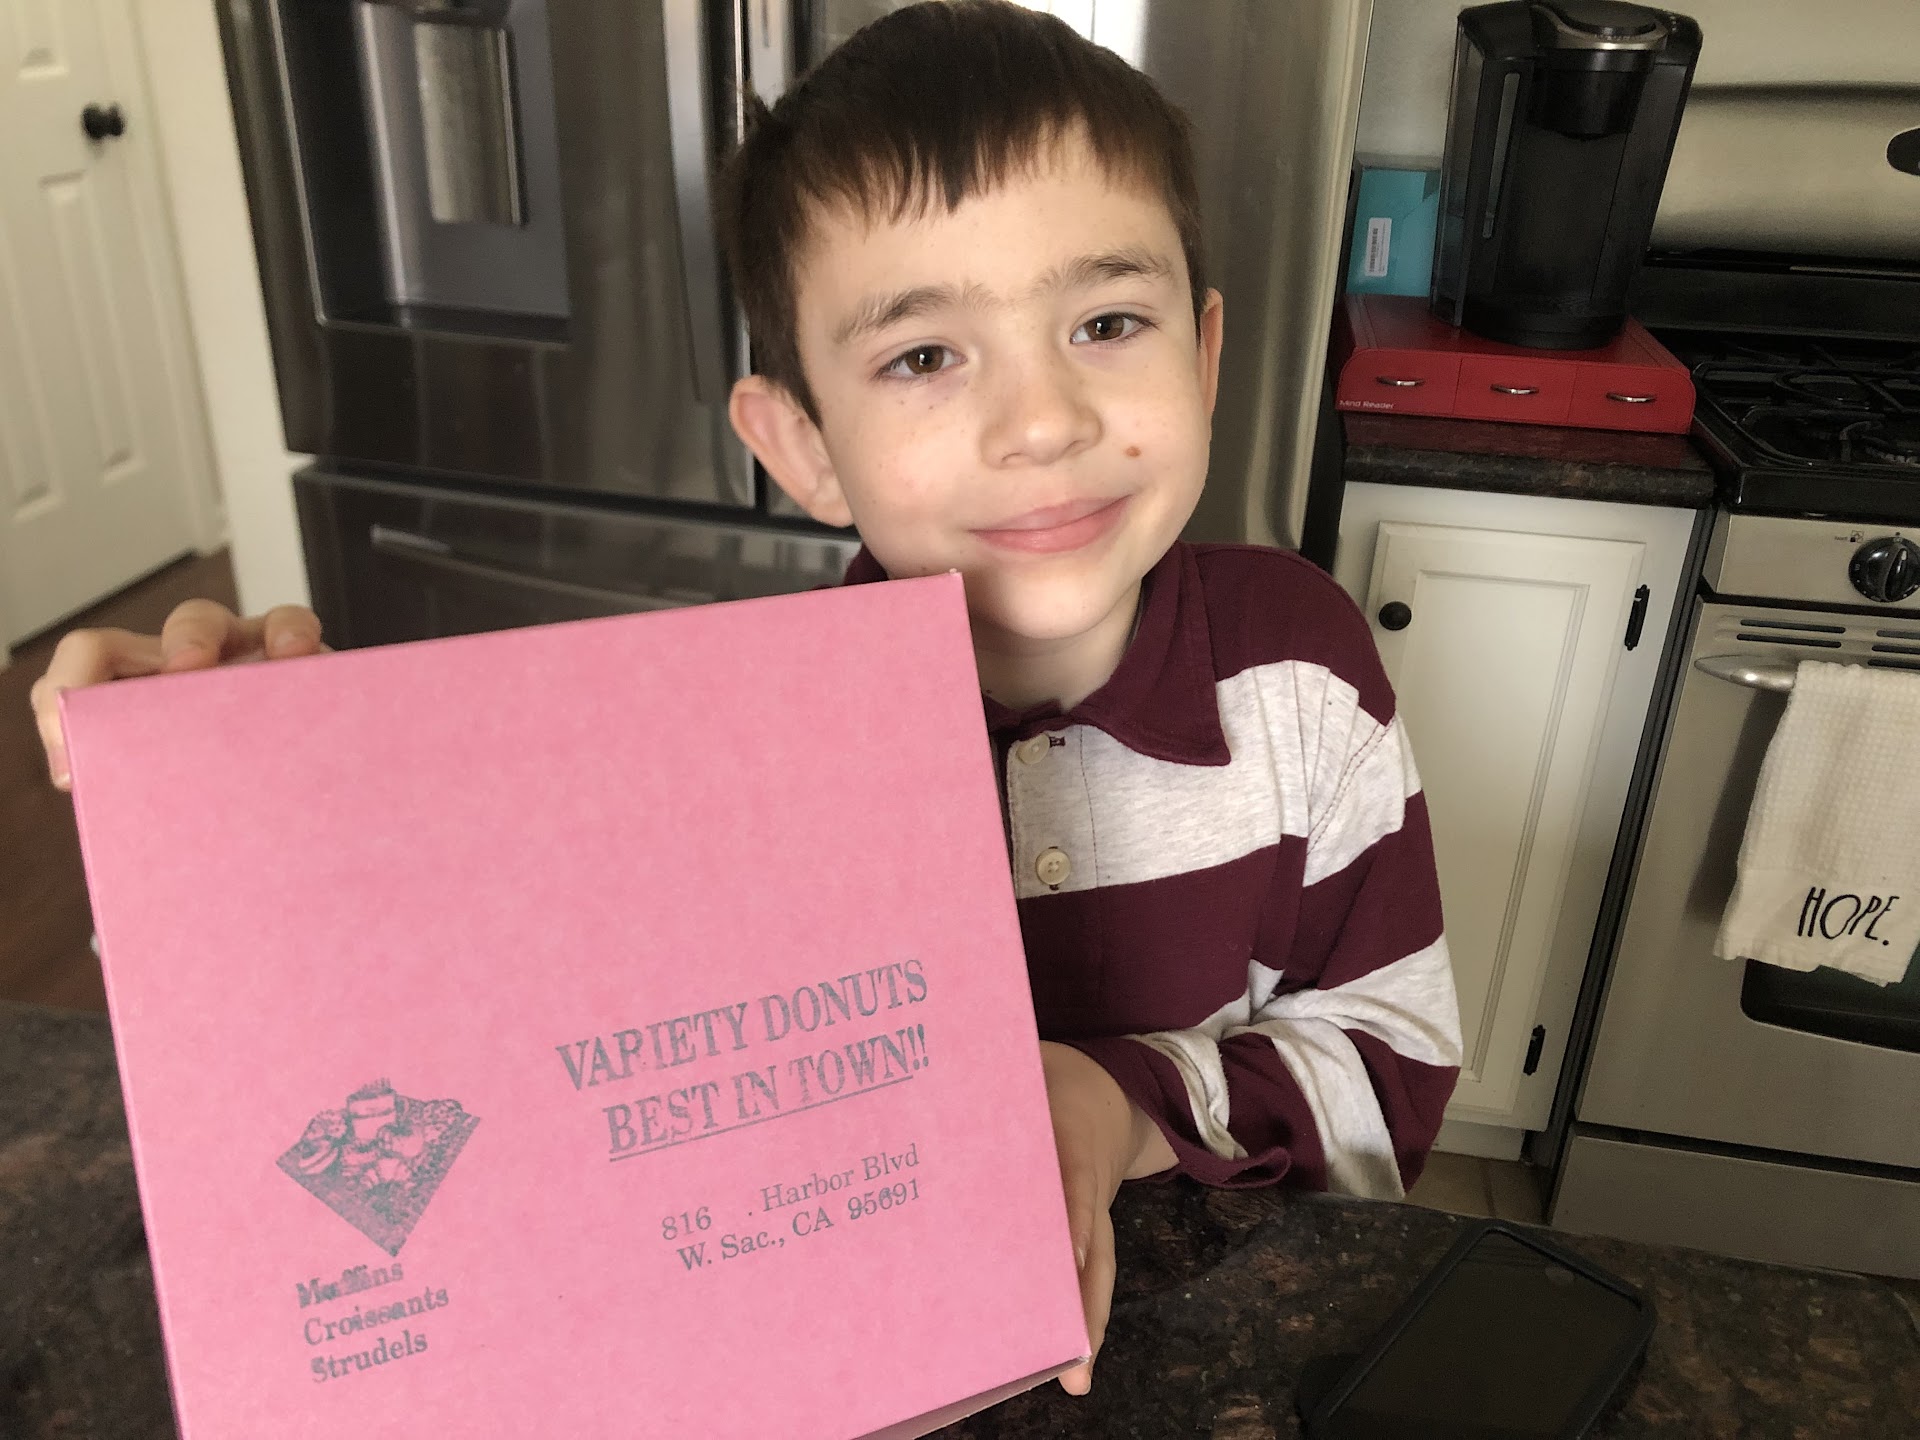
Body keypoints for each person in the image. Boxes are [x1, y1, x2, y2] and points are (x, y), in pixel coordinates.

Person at [31, 0, 1460, 1397]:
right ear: (806, 449)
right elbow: (475, 1046)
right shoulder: (738, 751)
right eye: (923, 356)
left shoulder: (1305, 674)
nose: (1043, 422)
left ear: (1203, 357)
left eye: (1105, 321)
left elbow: (1396, 1063)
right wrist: (243, 793)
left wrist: (1121, 1101)